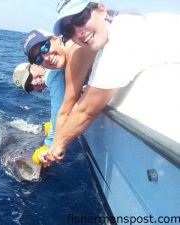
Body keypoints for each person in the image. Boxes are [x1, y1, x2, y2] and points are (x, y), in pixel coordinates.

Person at [40, 0, 180, 164]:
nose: (78, 33)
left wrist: (56, 146)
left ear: (101, 9)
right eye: (69, 30)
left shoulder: (123, 40)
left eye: (80, 18)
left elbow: (86, 111)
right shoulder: (118, 28)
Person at [22, 28, 96, 163]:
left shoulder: (69, 58)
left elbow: (64, 110)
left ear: (55, 38)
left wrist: (50, 145)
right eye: (39, 58)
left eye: (45, 47)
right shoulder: (61, 66)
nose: (46, 57)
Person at [12, 62, 65, 147]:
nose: (33, 83)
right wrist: (52, 124)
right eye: (29, 87)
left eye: (29, 78)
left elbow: (60, 111)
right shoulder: (52, 71)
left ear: (34, 65)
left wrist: (49, 143)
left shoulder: (52, 76)